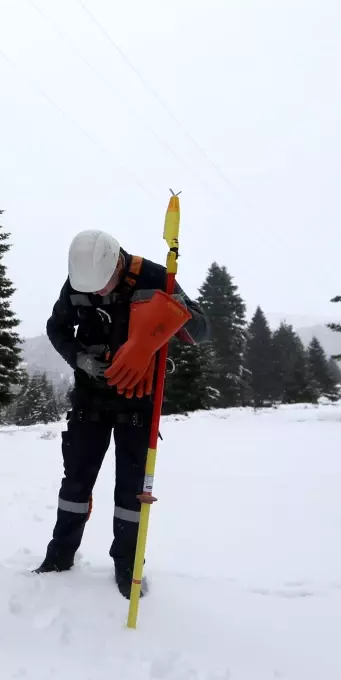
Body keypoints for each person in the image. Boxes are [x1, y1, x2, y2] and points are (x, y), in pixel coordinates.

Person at [34, 228, 209, 597]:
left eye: (105, 284)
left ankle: (127, 565)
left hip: (138, 400)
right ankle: (60, 556)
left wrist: (160, 328)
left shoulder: (158, 277)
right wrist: (80, 359)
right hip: (90, 398)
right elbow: (57, 327)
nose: (98, 293)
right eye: (92, 289)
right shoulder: (78, 281)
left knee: (131, 492)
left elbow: (200, 329)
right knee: (75, 483)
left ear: (118, 261)